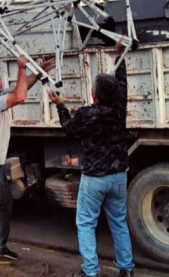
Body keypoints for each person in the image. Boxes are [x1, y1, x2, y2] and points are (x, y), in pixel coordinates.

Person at [49, 39, 135, 277]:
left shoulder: (87, 114)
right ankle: (126, 270)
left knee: (86, 224)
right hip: (119, 176)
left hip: (94, 178)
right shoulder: (118, 109)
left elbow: (68, 128)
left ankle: (90, 272)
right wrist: (119, 57)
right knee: (119, 223)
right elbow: (122, 84)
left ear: (93, 93)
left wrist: (60, 105)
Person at [0, 55, 55, 277]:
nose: (3, 82)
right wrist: (21, 67)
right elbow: (21, 95)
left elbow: (21, 88)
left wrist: (39, 71)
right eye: (0, 79)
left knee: (5, 204)